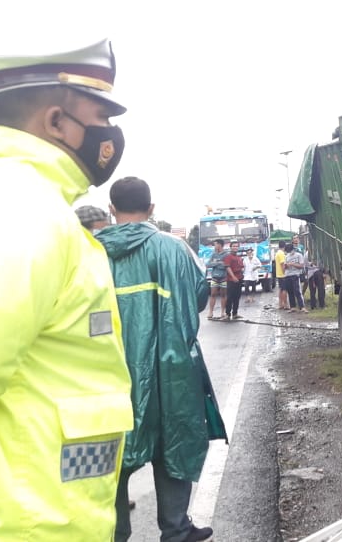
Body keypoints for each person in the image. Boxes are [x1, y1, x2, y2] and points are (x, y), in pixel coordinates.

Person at [0, 40, 134, 540]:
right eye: (101, 114)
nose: (112, 135)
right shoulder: (22, 215)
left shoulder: (13, 203)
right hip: (15, 525)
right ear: (57, 122)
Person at [96, 177, 226, 542]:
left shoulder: (88, 252)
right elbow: (199, 296)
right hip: (171, 368)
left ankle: (113, 532)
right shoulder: (174, 248)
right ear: (151, 209)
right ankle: (176, 528)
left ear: (111, 208)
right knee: (174, 441)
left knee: (110, 455)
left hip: (108, 372)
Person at [206, 239, 229, 319]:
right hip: (214, 278)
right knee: (212, 294)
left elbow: (225, 266)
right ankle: (210, 312)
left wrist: (216, 264)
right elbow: (208, 264)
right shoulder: (213, 254)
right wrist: (218, 263)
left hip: (224, 277)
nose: (214, 246)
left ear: (219, 245)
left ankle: (223, 312)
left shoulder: (226, 254)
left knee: (223, 295)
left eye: (215, 244)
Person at [282, 243, 308, 313]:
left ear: (293, 250)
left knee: (297, 291)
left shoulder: (299, 255)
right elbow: (284, 268)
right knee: (290, 292)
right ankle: (292, 307)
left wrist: (292, 264)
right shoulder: (287, 256)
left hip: (295, 275)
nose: (289, 252)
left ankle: (302, 307)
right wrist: (285, 266)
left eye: (290, 251)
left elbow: (302, 266)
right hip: (287, 275)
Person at [224, 239, 245, 320]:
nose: (235, 248)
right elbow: (228, 267)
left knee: (237, 297)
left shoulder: (239, 257)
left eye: (236, 246)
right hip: (231, 280)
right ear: (230, 247)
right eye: (233, 246)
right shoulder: (228, 257)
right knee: (230, 297)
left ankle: (235, 313)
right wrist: (233, 277)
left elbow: (242, 267)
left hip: (239, 279)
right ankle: (227, 314)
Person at [275, 241, 289, 310]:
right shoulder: (281, 254)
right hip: (282, 274)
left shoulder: (277, 253)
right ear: (284, 246)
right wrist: (285, 273)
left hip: (278, 274)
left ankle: (280, 304)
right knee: (284, 290)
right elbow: (282, 264)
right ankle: (285, 304)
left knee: (281, 289)